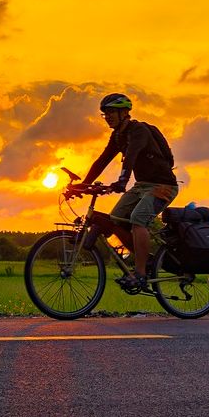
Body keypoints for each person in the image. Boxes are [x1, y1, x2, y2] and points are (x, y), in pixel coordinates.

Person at [80, 93, 178, 290]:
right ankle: (147, 260)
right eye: (104, 113)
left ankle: (140, 274)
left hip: (163, 186)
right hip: (141, 186)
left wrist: (122, 180)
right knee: (115, 219)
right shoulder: (117, 136)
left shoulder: (138, 131)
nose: (107, 116)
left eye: (110, 112)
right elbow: (102, 160)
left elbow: (132, 155)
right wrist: (83, 184)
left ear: (124, 112)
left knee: (138, 219)